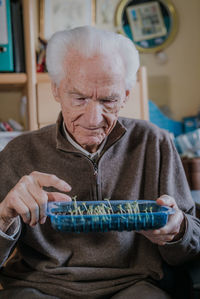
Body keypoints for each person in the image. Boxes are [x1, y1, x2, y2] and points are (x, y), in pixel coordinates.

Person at [0, 26, 199, 299]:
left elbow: (191, 246)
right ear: (56, 90)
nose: (93, 119)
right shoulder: (18, 152)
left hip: (133, 285)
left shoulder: (155, 142)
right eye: (79, 98)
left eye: (108, 100)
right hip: (40, 287)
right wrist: (4, 217)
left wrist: (177, 230)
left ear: (126, 95)